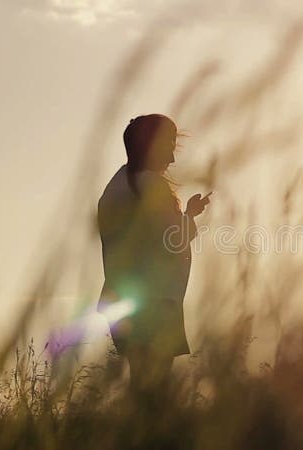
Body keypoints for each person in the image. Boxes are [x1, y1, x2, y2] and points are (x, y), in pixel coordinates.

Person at [97, 114, 210, 399]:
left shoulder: (114, 187)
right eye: (168, 146)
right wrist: (190, 216)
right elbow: (173, 240)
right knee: (155, 393)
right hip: (155, 303)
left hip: (120, 301)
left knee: (141, 387)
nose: (171, 158)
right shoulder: (151, 186)